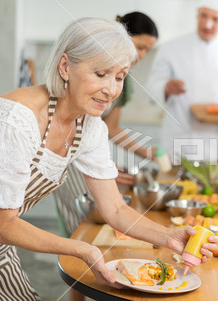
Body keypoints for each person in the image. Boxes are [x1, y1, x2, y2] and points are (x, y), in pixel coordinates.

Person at [0, 17, 218, 301]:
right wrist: (83, 249)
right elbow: (3, 225)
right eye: (101, 74)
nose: (111, 90)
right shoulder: (16, 120)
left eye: (119, 77)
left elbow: (116, 209)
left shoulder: (89, 126)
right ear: (66, 67)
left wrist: (170, 237)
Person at [53, 12, 159, 238]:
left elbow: (108, 127)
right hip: (66, 153)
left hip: (85, 150)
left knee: (101, 222)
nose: (141, 55)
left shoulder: (122, 81)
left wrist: (106, 168)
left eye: (147, 50)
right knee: (83, 226)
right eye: (140, 46)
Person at [146, 0, 218, 162]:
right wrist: (166, 87)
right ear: (197, 15)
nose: (207, 24)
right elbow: (152, 87)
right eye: (204, 15)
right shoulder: (171, 48)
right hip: (180, 142)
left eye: (215, 19)